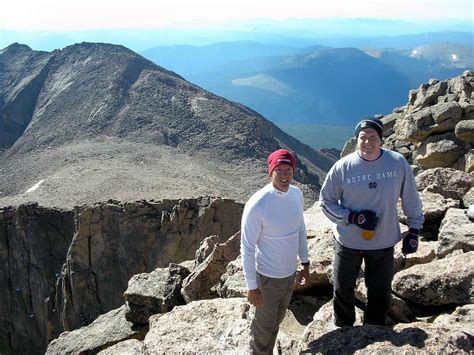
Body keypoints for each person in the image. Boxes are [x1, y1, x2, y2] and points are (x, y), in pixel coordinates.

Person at [319, 116, 424, 327]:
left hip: (383, 242)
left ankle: (374, 331)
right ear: (356, 140)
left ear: (381, 140)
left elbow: (411, 198)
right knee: (342, 289)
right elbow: (326, 201)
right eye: (362, 137)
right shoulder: (343, 167)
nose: (367, 142)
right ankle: (344, 329)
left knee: (380, 292)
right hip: (348, 242)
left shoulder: (397, 163)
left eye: (373, 137)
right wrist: (352, 217)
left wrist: (414, 230)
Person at [241, 148, 310, 354]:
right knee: (263, 327)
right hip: (268, 279)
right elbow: (247, 246)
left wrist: (305, 264)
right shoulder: (258, 204)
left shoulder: (296, 195)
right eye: (279, 170)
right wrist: (252, 286)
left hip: (289, 275)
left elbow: (300, 229)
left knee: (277, 320)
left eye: (288, 170)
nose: (284, 175)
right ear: (270, 171)